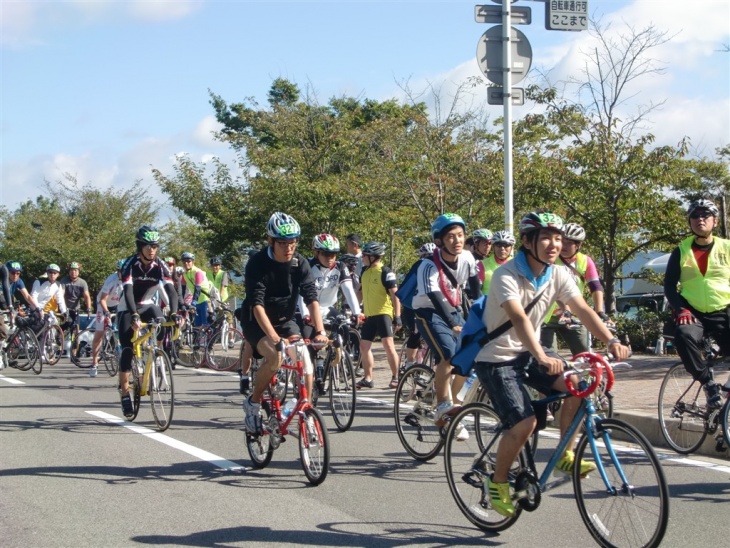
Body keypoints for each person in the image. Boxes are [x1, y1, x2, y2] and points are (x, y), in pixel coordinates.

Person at [473, 210, 629, 517]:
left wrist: (611, 340)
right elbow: (518, 318)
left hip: (530, 353)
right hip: (498, 358)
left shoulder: (558, 273)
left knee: (578, 387)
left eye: (558, 238)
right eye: (546, 237)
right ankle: (498, 482)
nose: (554, 244)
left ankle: (565, 454)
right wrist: (542, 356)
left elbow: (582, 309)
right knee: (525, 422)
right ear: (528, 241)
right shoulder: (507, 274)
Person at [240, 212, 328, 434]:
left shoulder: (300, 263)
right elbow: (257, 304)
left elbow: (311, 298)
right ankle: (254, 403)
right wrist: (274, 338)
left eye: (293, 242)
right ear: (270, 241)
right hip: (256, 321)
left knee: (304, 357)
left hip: (285, 319)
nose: (289, 247)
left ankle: (306, 409)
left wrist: (320, 331)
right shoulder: (257, 263)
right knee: (275, 355)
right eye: (283, 243)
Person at [411, 214, 480, 433]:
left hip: (454, 309)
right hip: (428, 312)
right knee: (448, 355)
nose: (457, 241)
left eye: (460, 235)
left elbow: (474, 287)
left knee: (470, 357)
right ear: (439, 241)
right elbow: (435, 297)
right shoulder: (427, 265)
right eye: (450, 237)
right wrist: (453, 324)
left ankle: (449, 402)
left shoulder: (468, 257)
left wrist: (480, 315)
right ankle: (443, 406)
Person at [664, 198, 730, 409]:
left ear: (715, 222)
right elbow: (669, 287)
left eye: (705, 215)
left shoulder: (727, 248)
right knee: (683, 335)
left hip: (723, 309)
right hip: (693, 312)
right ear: (689, 221)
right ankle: (707, 383)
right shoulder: (680, 251)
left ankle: (726, 393)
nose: (700, 219)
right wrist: (681, 308)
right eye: (695, 215)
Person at [117, 226, 180, 418]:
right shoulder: (130, 264)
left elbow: (171, 291)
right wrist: (134, 315)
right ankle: (125, 393)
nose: (151, 250)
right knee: (127, 348)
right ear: (140, 246)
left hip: (147, 305)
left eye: (155, 246)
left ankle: (154, 354)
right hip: (127, 307)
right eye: (147, 246)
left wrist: (176, 313)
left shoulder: (160, 265)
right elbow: (127, 292)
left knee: (161, 321)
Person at [356, 241, 401, 389]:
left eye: (365, 255)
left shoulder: (385, 272)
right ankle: (368, 378)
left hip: (384, 313)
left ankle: (396, 377)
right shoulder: (364, 271)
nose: (362, 257)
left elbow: (395, 296)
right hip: (369, 315)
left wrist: (397, 316)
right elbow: (360, 292)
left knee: (388, 345)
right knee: (364, 346)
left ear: (373, 257)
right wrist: (355, 308)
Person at [400, 242, 436, 370]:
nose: (430, 258)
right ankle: (409, 363)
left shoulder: (438, 267)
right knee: (415, 333)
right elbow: (406, 287)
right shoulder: (418, 266)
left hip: (432, 306)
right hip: (413, 306)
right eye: (427, 256)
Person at [89, 259, 125, 378]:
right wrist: (107, 312)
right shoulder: (111, 280)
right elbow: (102, 299)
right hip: (103, 305)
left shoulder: (129, 280)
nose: (124, 274)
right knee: (100, 333)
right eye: (121, 271)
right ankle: (94, 363)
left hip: (118, 305)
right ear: (118, 271)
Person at [180, 251, 215, 326]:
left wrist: (194, 302)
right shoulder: (184, 273)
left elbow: (197, 288)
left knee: (206, 325)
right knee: (197, 326)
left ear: (193, 262)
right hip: (196, 302)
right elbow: (182, 289)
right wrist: (181, 301)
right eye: (184, 262)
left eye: (188, 261)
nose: (186, 263)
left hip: (204, 300)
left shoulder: (197, 272)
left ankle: (211, 337)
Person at [59, 262, 92, 328]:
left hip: (76, 308)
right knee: (64, 325)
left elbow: (86, 296)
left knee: (76, 325)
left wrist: (89, 308)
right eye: (71, 270)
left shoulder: (82, 282)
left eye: (75, 270)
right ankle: (60, 337)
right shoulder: (64, 280)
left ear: (78, 272)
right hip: (65, 308)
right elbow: (61, 294)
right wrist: (63, 307)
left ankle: (76, 337)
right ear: (69, 271)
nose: (73, 272)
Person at [482, 230, 515, 295]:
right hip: (488, 303)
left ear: (512, 247)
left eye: (506, 245)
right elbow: (476, 290)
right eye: (498, 244)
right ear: (493, 247)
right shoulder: (482, 264)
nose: (502, 248)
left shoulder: (516, 265)